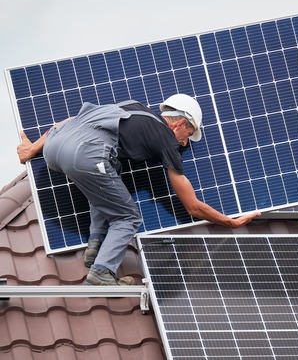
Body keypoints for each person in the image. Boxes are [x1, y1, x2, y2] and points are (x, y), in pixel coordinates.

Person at [16, 94, 260, 285]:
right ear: (181, 123)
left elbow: (71, 121)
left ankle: (96, 245)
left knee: (110, 175)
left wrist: (31, 149)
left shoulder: (132, 106)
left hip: (54, 147)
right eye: (189, 134)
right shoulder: (166, 139)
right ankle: (102, 272)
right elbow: (192, 206)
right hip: (85, 155)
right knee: (128, 217)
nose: (186, 142)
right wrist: (230, 222)